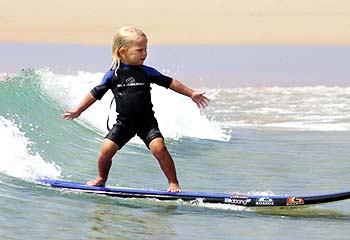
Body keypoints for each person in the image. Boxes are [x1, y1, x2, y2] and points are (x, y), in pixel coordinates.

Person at [61, 26, 209, 192]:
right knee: (105, 151)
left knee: (160, 149)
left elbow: (170, 82)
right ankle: (101, 179)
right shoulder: (113, 75)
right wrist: (78, 110)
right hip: (124, 123)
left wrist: (191, 94)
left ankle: (173, 183)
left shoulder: (146, 72)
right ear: (123, 51)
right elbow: (95, 93)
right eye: (140, 50)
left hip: (146, 123)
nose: (144, 54)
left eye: (146, 49)